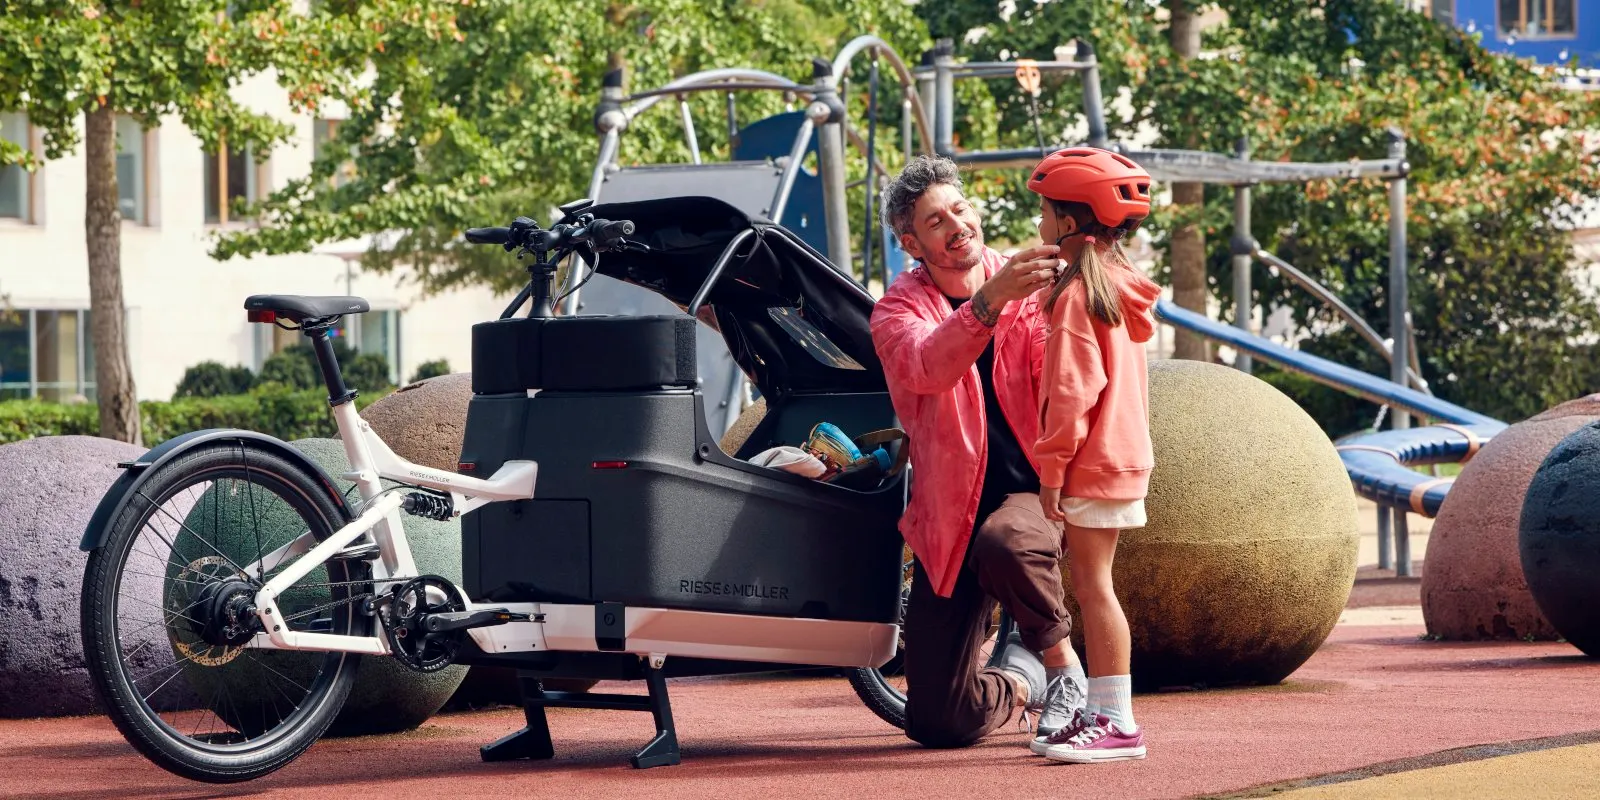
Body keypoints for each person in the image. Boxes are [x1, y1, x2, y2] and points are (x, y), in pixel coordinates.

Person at [869, 154, 1088, 748]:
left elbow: (1068, 383)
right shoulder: (896, 310)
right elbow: (925, 367)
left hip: (1030, 494)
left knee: (1007, 538)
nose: (956, 224)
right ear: (912, 242)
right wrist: (988, 303)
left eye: (960, 208)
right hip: (949, 519)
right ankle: (1022, 680)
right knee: (937, 721)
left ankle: (1066, 671)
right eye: (936, 221)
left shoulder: (1034, 285)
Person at [1024, 147, 1161, 763]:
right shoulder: (1120, 288)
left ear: (1070, 223)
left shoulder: (1078, 297)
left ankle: (1117, 719)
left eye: (1047, 212)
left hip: (1091, 463)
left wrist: (1051, 471)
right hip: (1121, 457)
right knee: (1093, 584)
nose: (1041, 223)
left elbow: (1071, 395)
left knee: (1095, 587)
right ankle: (1103, 710)